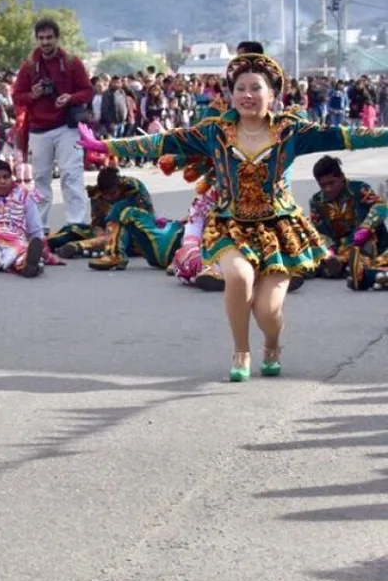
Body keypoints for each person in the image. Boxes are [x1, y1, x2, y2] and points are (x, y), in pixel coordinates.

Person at [79, 52, 388, 380]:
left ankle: (272, 343)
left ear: (273, 94)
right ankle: (241, 351)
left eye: (256, 88)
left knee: (268, 312)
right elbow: (161, 141)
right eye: (240, 88)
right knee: (238, 279)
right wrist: (105, 146)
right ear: (231, 93)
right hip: (231, 225)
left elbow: (349, 136)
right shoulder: (214, 132)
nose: (248, 95)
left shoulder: (291, 131)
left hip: (280, 229)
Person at [12, 18, 94, 227]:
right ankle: (40, 226)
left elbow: (87, 91)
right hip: (39, 130)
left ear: (57, 38)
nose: (45, 42)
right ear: (37, 39)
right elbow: (17, 96)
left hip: (66, 127)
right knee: (40, 180)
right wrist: (33, 94)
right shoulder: (29, 66)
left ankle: (77, 224)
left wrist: (70, 98)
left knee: (71, 175)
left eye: (49, 38)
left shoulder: (72, 63)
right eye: (41, 38)